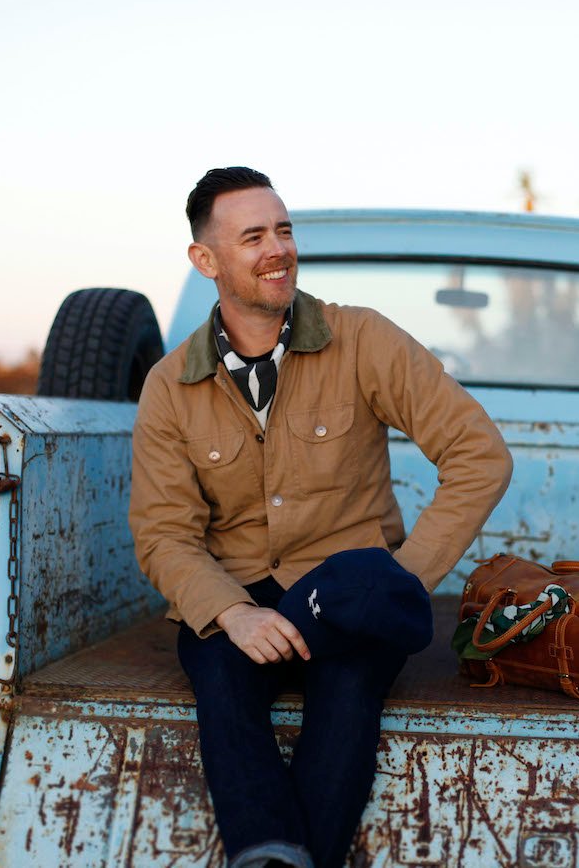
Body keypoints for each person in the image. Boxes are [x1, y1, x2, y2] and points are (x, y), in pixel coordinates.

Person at [129, 167, 512, 868]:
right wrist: (232, 613)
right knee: (220, 678)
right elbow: (163, 533)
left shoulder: (363, 339)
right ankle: (274, 854)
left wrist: (400, 581)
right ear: (206, 260)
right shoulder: (169, 386)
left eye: (283, 229)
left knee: (348, 685)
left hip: (347, 588)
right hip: (238, 590)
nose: (277, 248)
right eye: (253, 236)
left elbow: (479, 454)